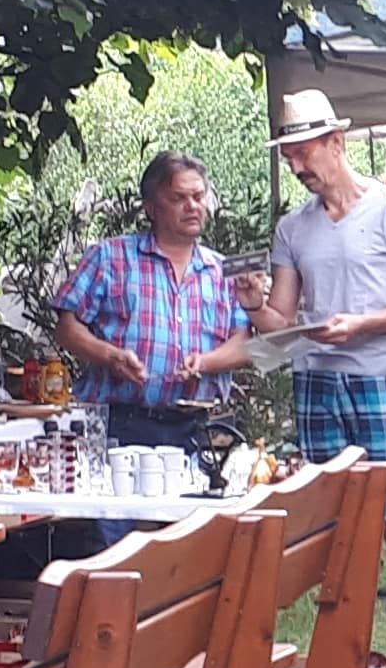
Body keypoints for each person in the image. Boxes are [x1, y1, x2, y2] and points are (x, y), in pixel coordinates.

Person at [258, 89, 386, 635]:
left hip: (381, 378)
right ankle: (346, 650)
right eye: (289, 156)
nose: (296, 167)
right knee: (334, 524)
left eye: (304, 153)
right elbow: (278, 323)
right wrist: (253, 304)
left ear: (336, 143)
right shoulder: (293, 228)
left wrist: (361, 325)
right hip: (316, 382)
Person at [45, 150, 256, 472]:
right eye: (178, 198)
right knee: (117, 506)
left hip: (201, 430)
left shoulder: (223, 270)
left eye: (198, 196)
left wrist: (205, 362)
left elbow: (245, 343)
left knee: (199, 506)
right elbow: (66, 327)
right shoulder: (110, 257)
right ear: (151, 207)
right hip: (121, 424)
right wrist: (111, 356)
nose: (192, 206)